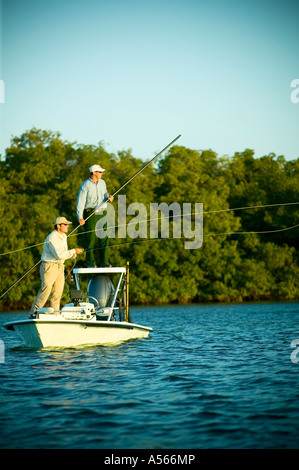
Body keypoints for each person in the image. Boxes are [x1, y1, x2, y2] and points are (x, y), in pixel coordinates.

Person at [30, 217, 84, 316]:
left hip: (60, 267)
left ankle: (55, 316)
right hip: (49, 267)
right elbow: (59, 255)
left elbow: (63, 253)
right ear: (58, 226)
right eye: (65, 224)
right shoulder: (52, 238)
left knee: (57, 294)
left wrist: (74, 254)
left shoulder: (64, 237)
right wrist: (73, 251)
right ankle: (33, 313)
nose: (68, 226)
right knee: (45, 291)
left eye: (67, 224)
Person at [76, 164, 114, 268]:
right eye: (100, 172)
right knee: (90, 238)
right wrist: (80, 217)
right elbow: (80, 202)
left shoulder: (103, 183)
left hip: (103, 212)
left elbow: (105, 194)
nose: (102, 173)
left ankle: (104, 262)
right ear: (94, 173)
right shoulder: (85, 185)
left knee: (104, 238)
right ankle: (90, 263)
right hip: (91, 213)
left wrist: (109, 197)